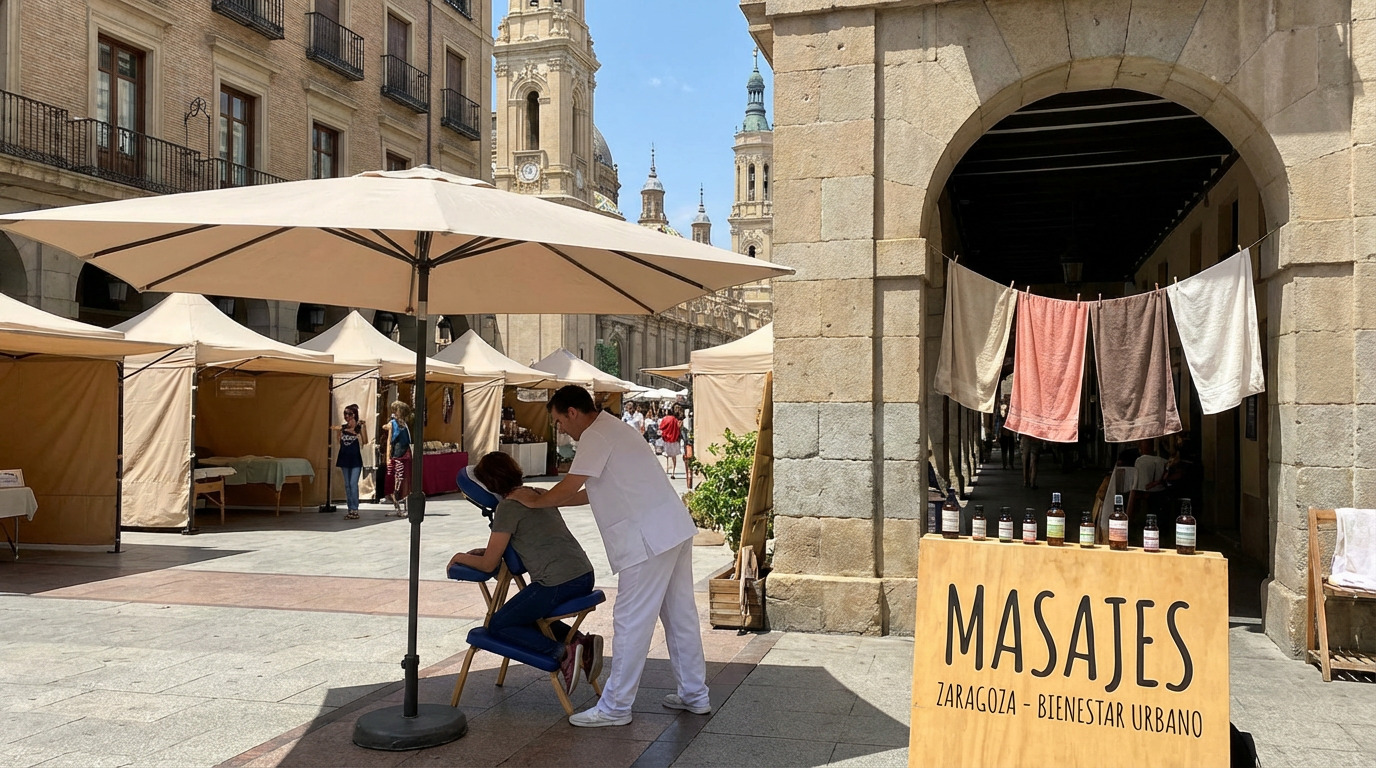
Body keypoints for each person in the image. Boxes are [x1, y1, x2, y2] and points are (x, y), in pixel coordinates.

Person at [508, 385, 709, 728]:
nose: (561, 429)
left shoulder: (595, 435)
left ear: (572, 412)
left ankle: (615, 706)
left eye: (559, 421)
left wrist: (535, 500)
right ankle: (695, 693)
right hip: (671, 529)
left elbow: (570, 486)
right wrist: (546, 498)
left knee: (631, 620)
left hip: (648, 539)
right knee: (680, 616)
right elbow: (592, 492)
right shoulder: (615, 429)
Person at [447, 451, 602, 694]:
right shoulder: (537, 493)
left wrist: (459, 557)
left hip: (557, 582)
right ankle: (582, 642)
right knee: (527, 615)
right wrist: (484, 551)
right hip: (583, 573)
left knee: (499, 624)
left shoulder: (507, 508)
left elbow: (489, 565)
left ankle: (562, 653)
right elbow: (524, 540)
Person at [332, 404, 368, 520]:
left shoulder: (359, 427)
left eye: (350, 414)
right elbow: (339, 441)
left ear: (355, 415)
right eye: (345, 414)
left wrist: (363, 429)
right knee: (347, 485)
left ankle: (355, 509)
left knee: (353, 484)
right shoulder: (342, 428)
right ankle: (350, 509)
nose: (347, 417)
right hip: (344, 458)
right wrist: (340, 432)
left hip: (355, 459)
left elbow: (365, 441)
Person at [383, 400, 412, 517]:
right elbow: (390, 440)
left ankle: (402, 506)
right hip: (397, 455)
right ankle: (398, 506)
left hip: (403, 454)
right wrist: (388, 457)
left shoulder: (403, 424)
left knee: (402, 480)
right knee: (396, 481)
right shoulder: (394, 424)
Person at [660, 406, 684, 478]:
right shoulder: (675, 420)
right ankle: (673, 472)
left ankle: (667, 470)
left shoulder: (665, 419)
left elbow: (661, 427)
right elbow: (679, 429)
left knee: (666, 456)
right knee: (674, 457)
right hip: (674, 440)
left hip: (667, 439)